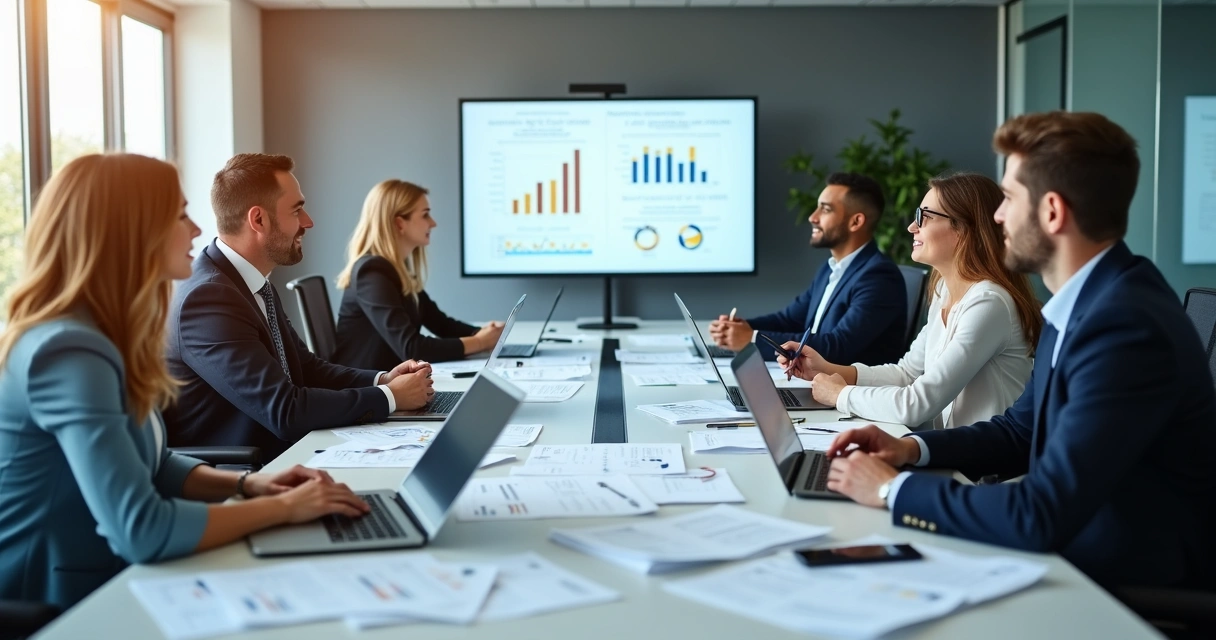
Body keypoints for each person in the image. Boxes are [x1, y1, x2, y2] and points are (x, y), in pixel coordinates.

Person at [817, 112, 1216, 589]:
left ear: (1052, 212)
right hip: (1075, 545)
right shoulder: (1085, 301)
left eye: (1007, 199)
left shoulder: (1126, 326)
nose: (998, 215)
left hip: (1120, 583)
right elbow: (1019, 430)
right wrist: (910, 448)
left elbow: (1042, 512)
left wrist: (889, 488)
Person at [0, 154, 370, 609]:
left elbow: (151, 461)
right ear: (129, 233)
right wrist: (282, 509)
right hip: (65, 600)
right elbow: (142, 530)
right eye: (179, 214)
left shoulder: (104, 334)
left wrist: (246, 486)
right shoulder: (68, 352)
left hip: (119, 574)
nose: (196, 229)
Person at [164, 154, 434, 459]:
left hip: (288, 455)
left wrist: (382, 379)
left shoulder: (250, 283)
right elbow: (284, 410)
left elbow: (306, 369)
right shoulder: (208, 299)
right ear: (259, 220)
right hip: (249, 472)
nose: (308, 222)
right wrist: (390, 397)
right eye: (297, 210)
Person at [781, 173, 1041, 430]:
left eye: (924, 217)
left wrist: (840, 395)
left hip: (981, 469)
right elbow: (907, 374)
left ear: (963, 229)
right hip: (950, 456)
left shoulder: (989, 303)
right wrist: (826, 369)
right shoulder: (944, 291)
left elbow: (917, 405)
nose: (912, 227)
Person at [709, 172, 906, 365]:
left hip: (846, 392)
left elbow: (838, 347)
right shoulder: (829, 269)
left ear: (856, 222)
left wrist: (752, 339)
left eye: (826, 209)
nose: (813, 217)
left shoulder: (878, 277)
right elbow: (789, 320)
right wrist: (740, 328)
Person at [332, 179, 503, 368]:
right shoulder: (372, 273)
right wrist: (479, 342)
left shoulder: (396, 269)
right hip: (370, 390)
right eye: (425, 215)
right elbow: (412, 348)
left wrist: (485, 333)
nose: (433, 223)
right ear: (399, 223)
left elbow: (439, 323)